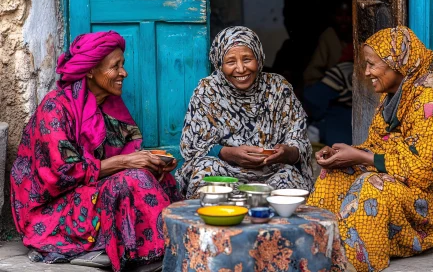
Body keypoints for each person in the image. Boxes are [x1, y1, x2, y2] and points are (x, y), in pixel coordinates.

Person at [307, 26, 433, 272]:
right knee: (335, 174)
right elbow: (380, 148)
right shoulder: (392, 97)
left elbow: (424, 171)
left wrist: (360, 156)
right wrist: (347, 154)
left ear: (397, 64)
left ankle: (358, 263)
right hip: (406, 181)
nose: (366, 72)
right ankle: (320, 250)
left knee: (372, 187)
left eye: (372, 65)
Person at [10, 31, 182, 272]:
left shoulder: (111, 107)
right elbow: (63, 173)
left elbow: (131, 151)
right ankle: (161, 250)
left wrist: (152, 162)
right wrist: (125, 162)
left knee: (159, 178)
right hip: (52, 209)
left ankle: (141, 248)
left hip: (92, 190)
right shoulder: (55, 108)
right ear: (90, 70)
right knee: (134, 179)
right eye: (116, 67)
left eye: (123, 65)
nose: (124, 73)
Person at [177, 26, 314, 198]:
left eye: (247, 59)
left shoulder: (279, 88)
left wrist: (287, 153)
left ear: (258, 57)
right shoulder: (207, 91)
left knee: (290, 177)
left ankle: (281, 224)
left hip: (272, 172)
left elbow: (299, 143)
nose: (241, 69)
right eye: (231, 62)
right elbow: (192, 148)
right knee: (206, 171)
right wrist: (228, 153)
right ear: (219, 63)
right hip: (225, 172)